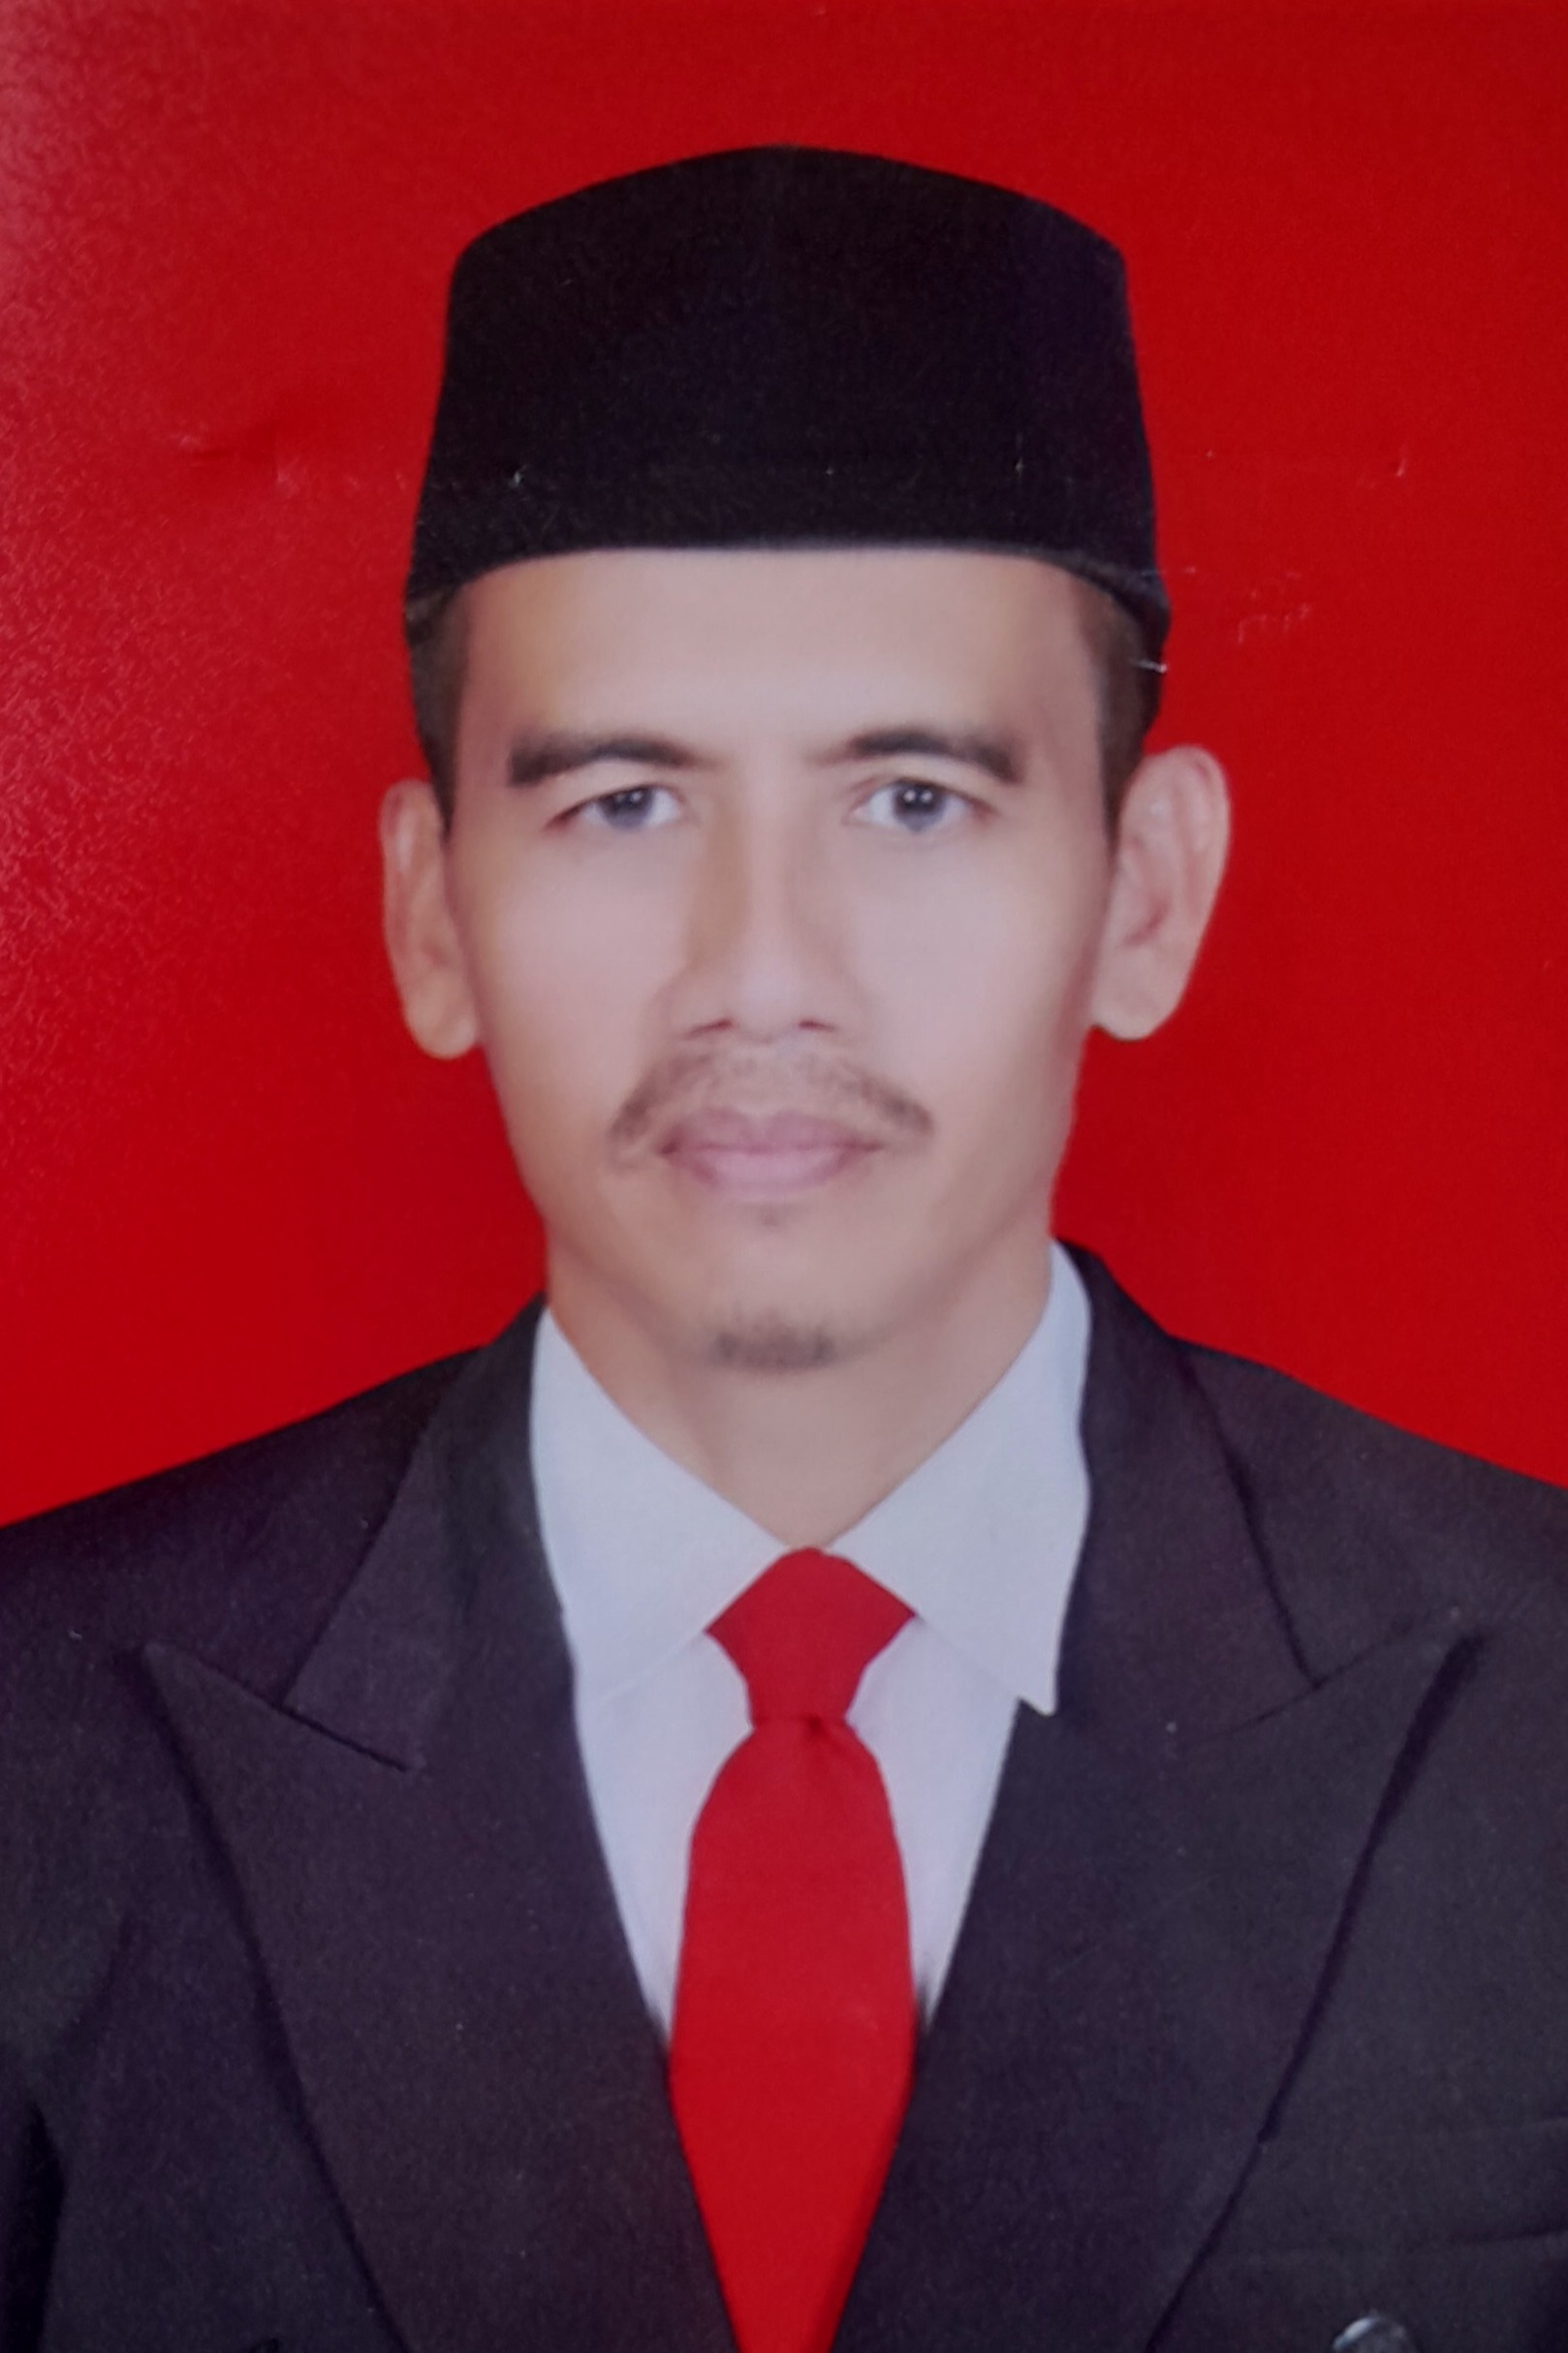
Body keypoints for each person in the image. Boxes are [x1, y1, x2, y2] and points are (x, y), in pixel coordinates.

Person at [1, 144, 1564, 2353]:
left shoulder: (1535, 1716)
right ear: (431, 913)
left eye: (912, 798)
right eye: (622, 801)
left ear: (1143, 893)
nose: (759, 971)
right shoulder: (37, 1742)